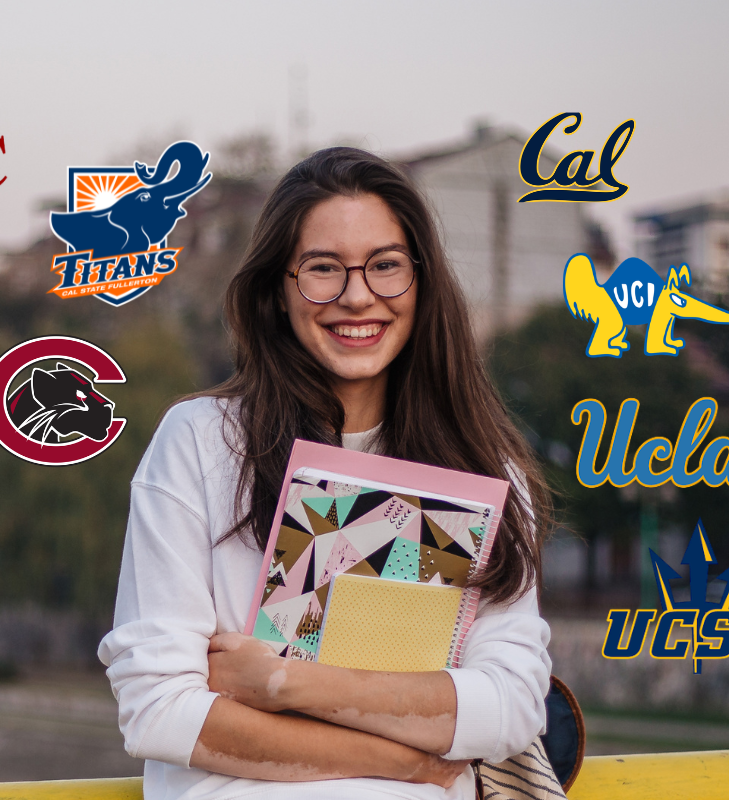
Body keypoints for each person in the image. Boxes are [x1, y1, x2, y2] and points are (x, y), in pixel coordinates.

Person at [98, 147, 552, 799]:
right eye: (322, 269)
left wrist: (284, 684)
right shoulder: (199, 442)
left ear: (422, 282)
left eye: (386, 266)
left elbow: (510, 708)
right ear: (278, 291)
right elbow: (158, 710)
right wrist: (413, 762)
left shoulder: (484, 465)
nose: (357, 296)